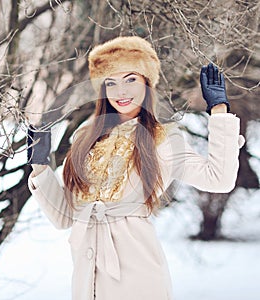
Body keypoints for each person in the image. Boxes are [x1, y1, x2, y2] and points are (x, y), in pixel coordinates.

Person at [27, 36, 244, 300]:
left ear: (146, 82)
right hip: (86, 279)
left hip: (139, 277)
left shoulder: (163, 139)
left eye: (130, 79)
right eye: (111, 82)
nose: (121, 91)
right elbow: (64, 216)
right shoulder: (85, 137)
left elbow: (218, 179)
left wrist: (219, 111)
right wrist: (40, 166)